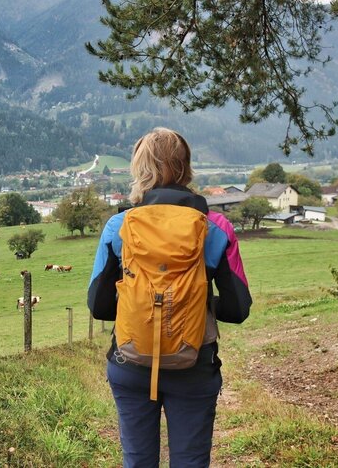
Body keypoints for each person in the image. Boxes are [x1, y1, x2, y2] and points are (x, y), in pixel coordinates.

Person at [88, 128, 252, 467]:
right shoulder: (216, 227)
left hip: (130, 362)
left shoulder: (118, 226)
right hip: (194, 363)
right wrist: (199, 303)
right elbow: (237, 309)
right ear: (185, 167)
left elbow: (99, 307)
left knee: (138, 461)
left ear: (140, 169)